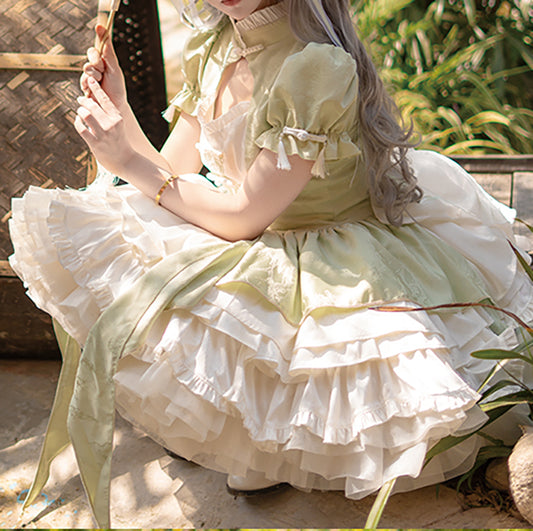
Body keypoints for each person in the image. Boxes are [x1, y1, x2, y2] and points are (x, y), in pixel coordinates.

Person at [9, 0, 533, 526]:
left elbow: (244, 216)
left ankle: (279, 452)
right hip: (252, 236)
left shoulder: (315, 66)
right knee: (113, 226)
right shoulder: (214, 44)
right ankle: (255, 447)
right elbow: (173, 172)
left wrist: (124, 159)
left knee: (326, 369)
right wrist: (120, 113)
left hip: (333, 257)